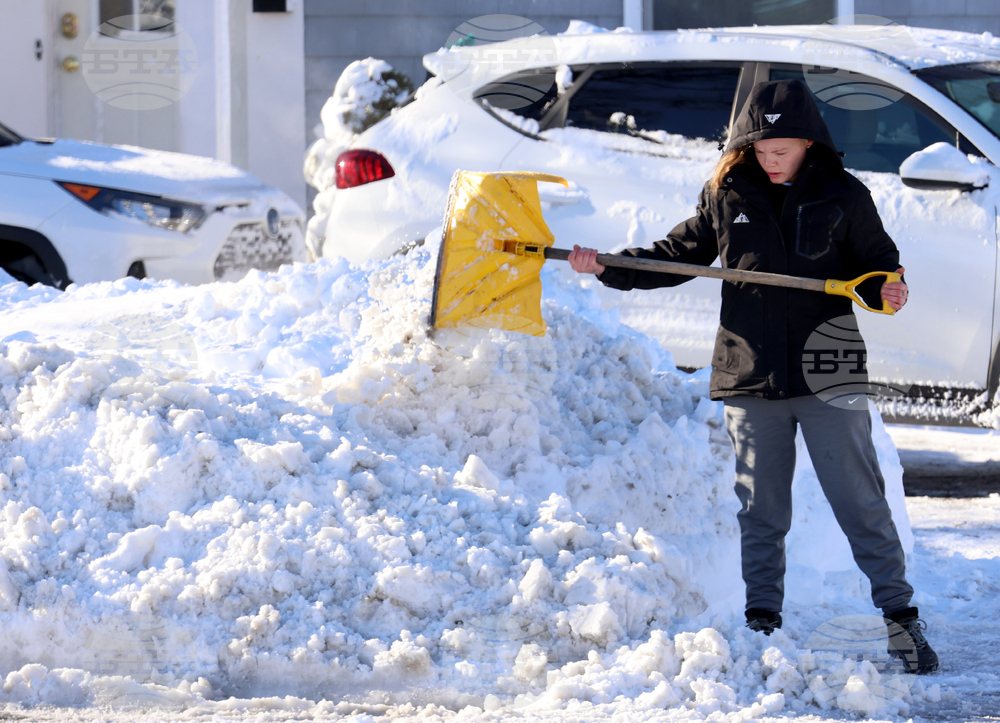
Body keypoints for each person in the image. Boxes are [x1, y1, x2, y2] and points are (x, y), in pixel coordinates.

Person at [568, 79, 938, 674]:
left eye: (782, 149)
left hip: (829, 367)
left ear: (810, 143)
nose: (770, 158)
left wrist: (888, 289)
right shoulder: (727, 191)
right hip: (750, 368)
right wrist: (610, 268)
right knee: (761, 507)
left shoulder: (844, 194)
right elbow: (678, 255)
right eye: (760, 148)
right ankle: (761, 621)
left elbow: (877, 267)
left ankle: (901, 619)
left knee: (859, 499)